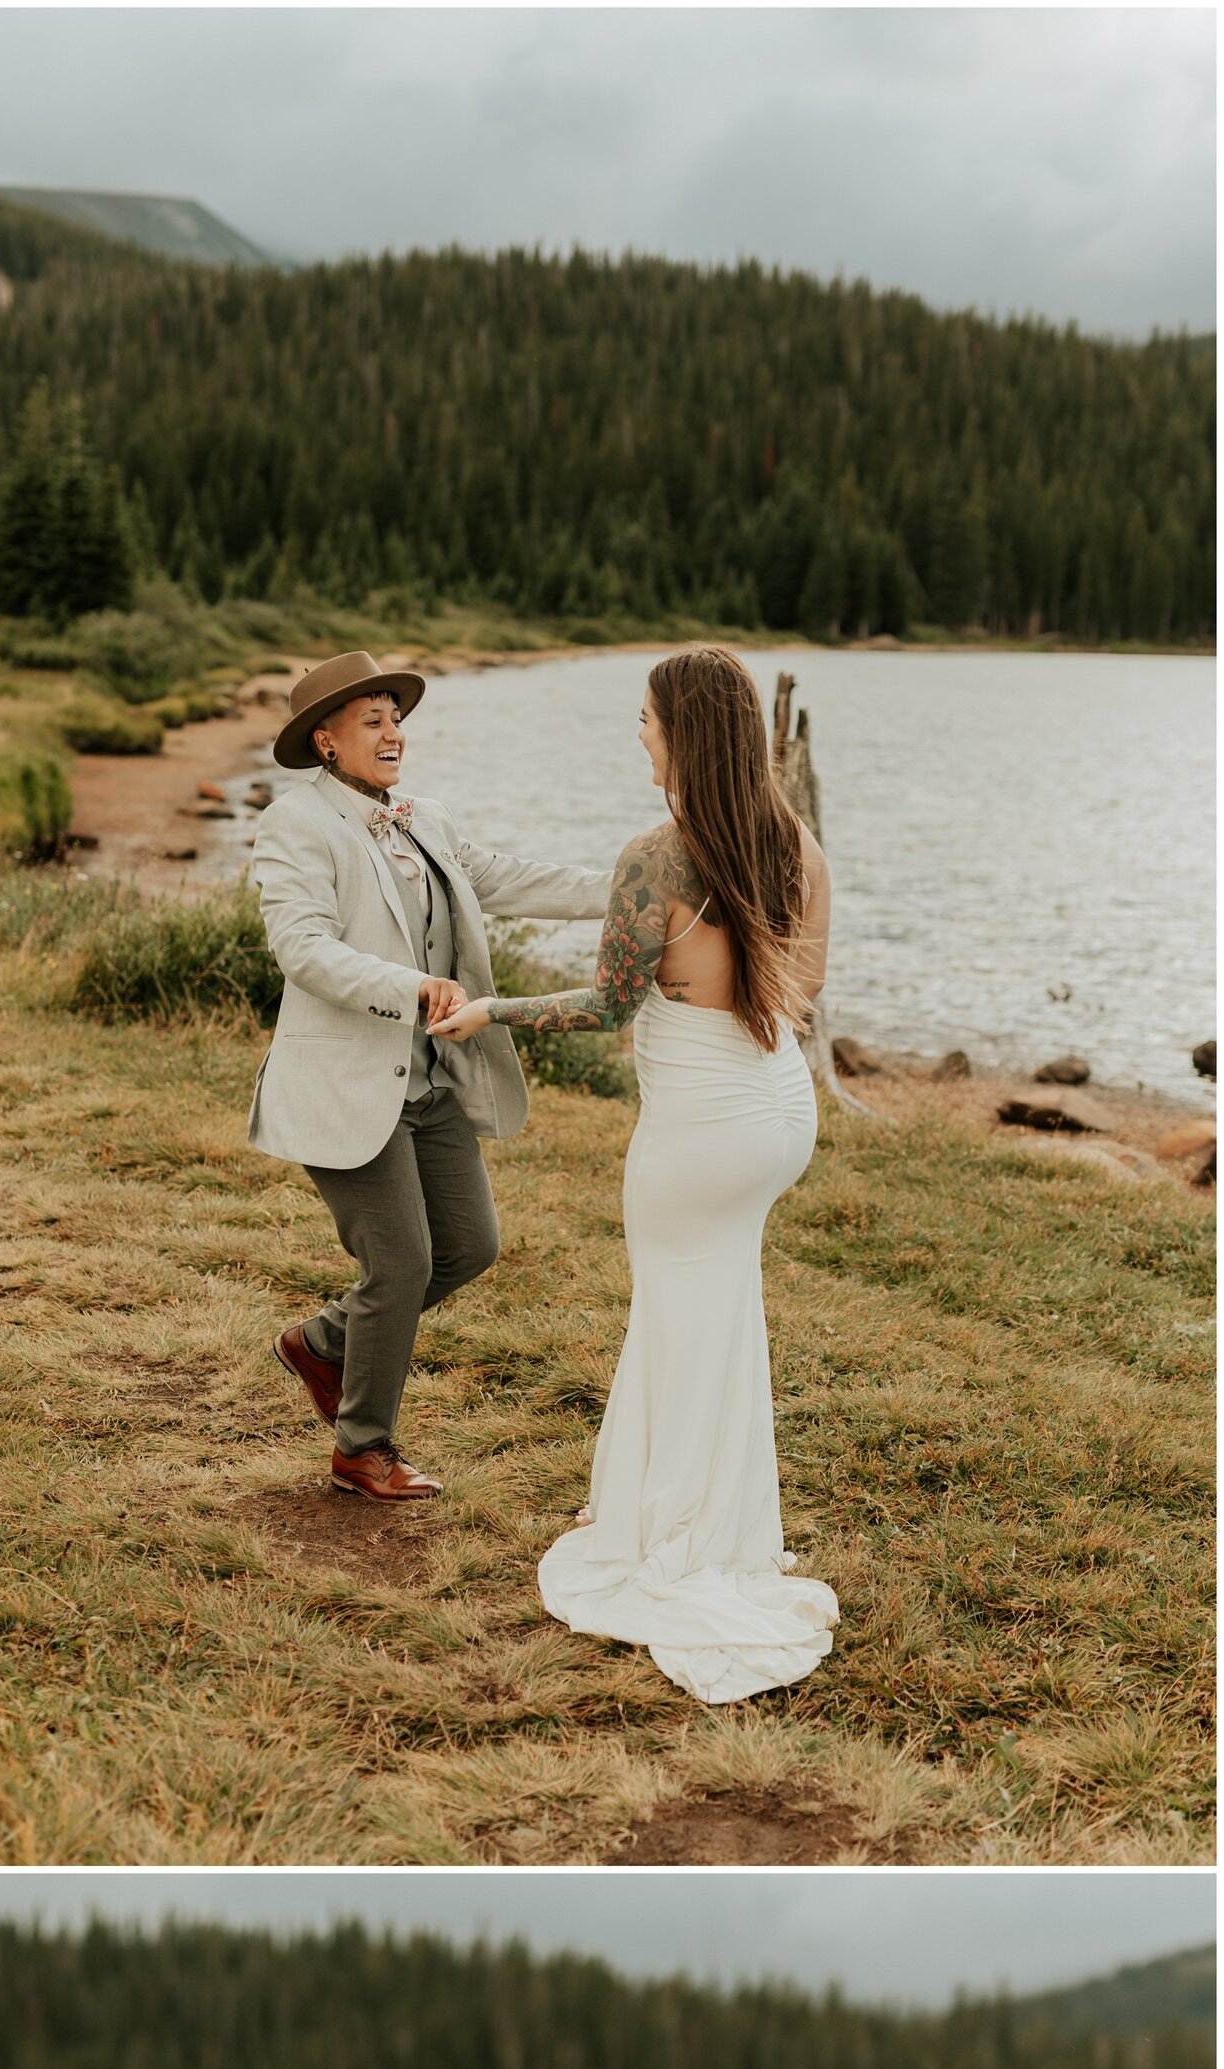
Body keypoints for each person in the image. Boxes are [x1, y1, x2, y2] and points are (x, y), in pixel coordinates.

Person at [438, 643, 837, 1700]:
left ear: (684, 732)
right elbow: (797, 991)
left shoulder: (653, 858)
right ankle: (719, 1517)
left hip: (697, 1136)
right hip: (775, 1117)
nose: (639, 731)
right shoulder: (793, 843)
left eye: (648, 717)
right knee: (717, 1310)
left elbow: (607, 1006)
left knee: (676, 1313)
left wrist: (492, 1011)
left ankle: (678, 1535)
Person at [247, 649, 617, 1500]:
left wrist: (637, 888)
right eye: (372, 719)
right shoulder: (294, 824)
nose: (393, 733)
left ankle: (322, 1343)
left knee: (469, 1246)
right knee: (403, 1264)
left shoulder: (425, 819)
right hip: (345, 1086)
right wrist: (411, 986)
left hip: (432, 1083)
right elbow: (303, 950)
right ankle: (361, 1449)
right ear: (326, 742)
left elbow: (513, 881)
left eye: (396, 716)